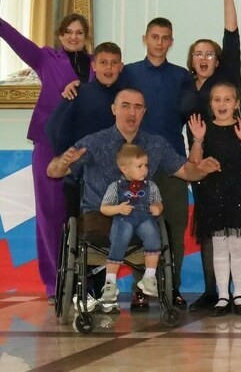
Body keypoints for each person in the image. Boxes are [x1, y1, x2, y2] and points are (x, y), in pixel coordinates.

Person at [44, 89, 222, 304]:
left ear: (144, 112)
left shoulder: (155, 144)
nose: (132, 112)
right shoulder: (94, 142)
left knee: (157, 229)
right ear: (114, 109)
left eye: (138, 107)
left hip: (140, 219)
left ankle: (152, 282)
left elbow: (186, 171)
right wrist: (63, 161)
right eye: (125, 106)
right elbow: (53, 171)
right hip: (100, 219)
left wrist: (201, 169)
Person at [4, 7, 93, 297]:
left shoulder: (97, 64)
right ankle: (55, 283)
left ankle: (86, 282)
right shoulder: (45, 58)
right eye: (68, 32)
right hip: (49, 143)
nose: (73, 37)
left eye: (79, 32)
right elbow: (15, 39)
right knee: (51, 213)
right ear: (60, 35)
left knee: (87, 215)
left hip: (85, 144)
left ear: (86, 37)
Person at [181, 0, 241, 310]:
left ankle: (235, 292)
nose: (203, 58)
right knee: (208, 228)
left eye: (209, 53)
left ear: (217, 61)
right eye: (198, 53)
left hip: (231, 158)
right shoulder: (184, 85)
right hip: (199, 159)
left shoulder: (226, 79)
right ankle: (213, 291)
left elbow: (231, 35)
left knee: (232, 230)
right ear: (191, 60)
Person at [120, 17, 191, 308]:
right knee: (140, 229)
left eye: (165, 38)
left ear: (171, 42)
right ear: (145, 39)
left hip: (174, 164)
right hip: (137, 164)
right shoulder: (128, 73)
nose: (159, 42)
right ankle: (140, 289)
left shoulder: (181, 76)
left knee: (174, 228)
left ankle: (172, 288)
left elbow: (189, 116)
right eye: (154, 37)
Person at [186, 84, 241, 316]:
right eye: (217, 100)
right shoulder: (204, 129)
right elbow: (195, 163)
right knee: (219, 247)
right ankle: (222, 296)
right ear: (211, 104)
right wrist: (198, 140)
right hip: (213, 194)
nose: (222, 104)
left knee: (238, 246)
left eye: (227, 100)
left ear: (236, 103)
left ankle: (238, 294)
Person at [96, 145, 164, 311]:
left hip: (144, 218)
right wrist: (118, 208)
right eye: (139, 166)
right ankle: (110, 282)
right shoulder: (115, 186)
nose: (144, 170)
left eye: (146, 165)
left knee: (153, 235)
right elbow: (104, 208)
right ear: (124, 169)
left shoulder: (151, 186)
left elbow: (158, 202)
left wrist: (157, 208)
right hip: (123, 219)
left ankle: (149, 277)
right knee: (120, 239)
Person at [47, 42, 123, 157]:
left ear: (121, 67)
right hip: (82, 163)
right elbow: (54, 128)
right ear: (94, 66)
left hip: (117, 163)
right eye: (103, 62)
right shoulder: (77, 92)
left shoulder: (126, 96)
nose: (109, 67)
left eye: (114, 63)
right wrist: (67, 157)